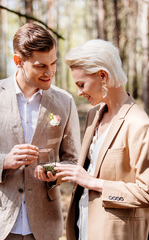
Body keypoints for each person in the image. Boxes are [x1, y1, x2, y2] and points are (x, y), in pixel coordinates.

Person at [0, 22, 81, 240]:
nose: (50, 73)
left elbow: (73, 160)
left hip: (44, 227)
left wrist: (55, 172)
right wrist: (4, 162)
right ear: (18, 62)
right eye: (41, 66)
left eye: (53, 64)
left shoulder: (65, 102)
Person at [55, 39, 149, 240]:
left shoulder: (138, 123)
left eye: (81, 85)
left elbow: (147, 191)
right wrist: (59, 174)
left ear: (103, 76)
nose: (79, 93)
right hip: (83, 228)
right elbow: (89, 170)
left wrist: (94, 183)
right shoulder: (93, 114)